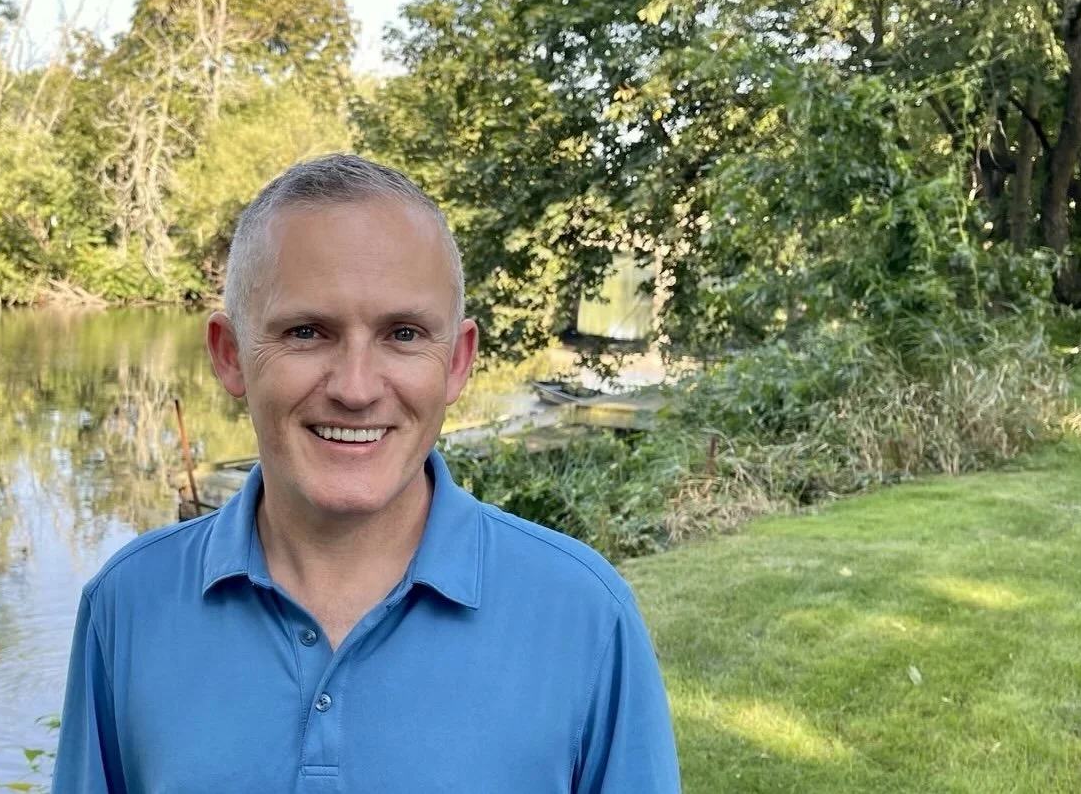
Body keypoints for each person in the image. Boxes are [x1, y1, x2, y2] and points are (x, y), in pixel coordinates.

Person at [51, 155, 680, 793]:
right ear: (231, 355)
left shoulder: (583, 618)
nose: (355, 389)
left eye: (403, 334)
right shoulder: (127, 606)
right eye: (306, 332)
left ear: (458, 362)